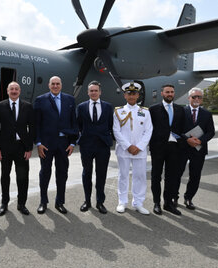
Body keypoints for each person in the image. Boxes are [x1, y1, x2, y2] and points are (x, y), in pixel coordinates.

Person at [33, 76, 78, 214]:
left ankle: (60, 202)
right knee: (45, 173)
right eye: (53, 84)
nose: (55, 86)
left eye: (58, 84)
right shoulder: (40, 100)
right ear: (49, 85)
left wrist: (72, 143)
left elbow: (74, 123)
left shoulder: (70, 100)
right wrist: (38, 143)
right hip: (46, 144)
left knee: (62, 173)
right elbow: (36, 124)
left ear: (61, 85)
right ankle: (43, 202)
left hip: (64, 143)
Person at [0, 82, 36, 216]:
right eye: (11, 89)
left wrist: (29, 148)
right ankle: (4, 203)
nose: (14, 91)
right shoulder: (0, 106)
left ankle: (21, 203)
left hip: (21, 147)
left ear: (20, 91)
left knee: (22, 177)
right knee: (5, 176)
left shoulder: (27, 106)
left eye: (16, 89)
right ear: (7, 91)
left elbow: (32, 128)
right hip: (5, 148)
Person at [113, 82, 153, 215]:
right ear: (124, 95)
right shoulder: (118, 111)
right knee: (123, 175)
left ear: (138, 95)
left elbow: (148, 131)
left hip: (140, 151)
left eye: (134, 93)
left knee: (140, 176)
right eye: (129, 93)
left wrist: (139, 146)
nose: (131, 96)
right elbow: (116, 131)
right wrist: (128, 146)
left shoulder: (145, 112)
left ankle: (138, 203)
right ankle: (122, 201)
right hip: (124, 150)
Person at [76, 81, 113, 214]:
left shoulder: (108, 107)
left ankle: (100, 202)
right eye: (91, 91)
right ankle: (87, 201)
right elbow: (79, 125)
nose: (93, 93)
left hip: (103, 145)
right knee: (87, 173)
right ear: (88, 92)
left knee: (101, 174)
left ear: (100, 92)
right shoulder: (81, 107)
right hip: (87, 145)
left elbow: (110, 124)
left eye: (96, 90)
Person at [177, 87, 215, 210]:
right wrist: (187, 139)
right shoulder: (181, 111)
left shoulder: (207, 114)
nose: (197, 99)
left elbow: (211, 131)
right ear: (189, 98)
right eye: (194, 97)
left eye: (199, 97)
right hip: (183, 147)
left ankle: (188, 198)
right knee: (177, 174)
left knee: (195, 175)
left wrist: (200, 140)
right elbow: (176, 130)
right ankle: (174, 197)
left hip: (199, 148)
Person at [148, 84, 184, 215]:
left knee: (171, 177)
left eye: (172, 92)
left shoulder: (180, 109)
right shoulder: (153, 109)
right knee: (156, 176)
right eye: (167, 92)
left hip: (174, 148)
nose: (170, 94)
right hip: (158, 148)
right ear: (162, 93)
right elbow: (148, 129)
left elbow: (182, 129)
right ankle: (156, 203)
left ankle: (168, 203)